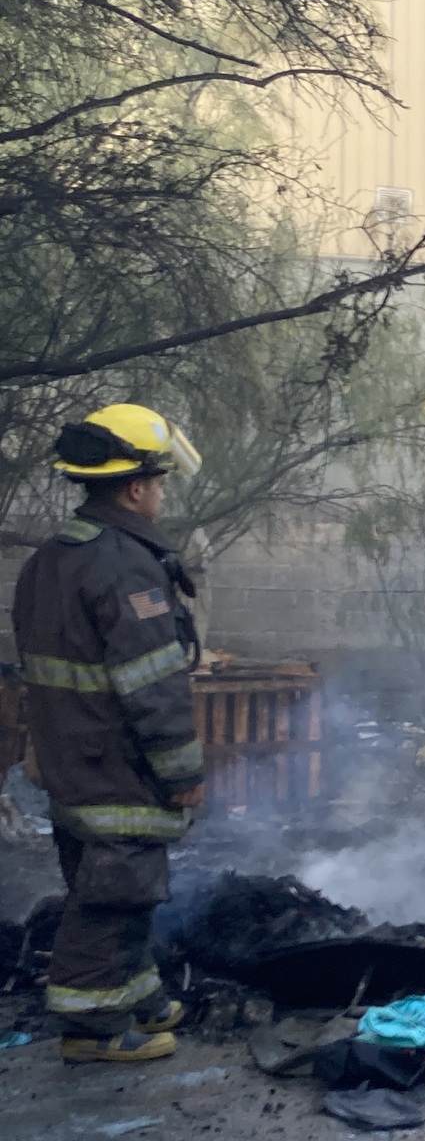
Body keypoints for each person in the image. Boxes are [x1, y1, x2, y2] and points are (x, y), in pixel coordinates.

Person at [13, 404, 206, 1064]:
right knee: (112, 895)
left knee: (115, 886)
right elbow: (152, 685)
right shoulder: (124, 566)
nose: (161, 494)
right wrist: (182, 773)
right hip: (116, 765)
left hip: (71, 760)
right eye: (159, 483)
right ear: (134, 489)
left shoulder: (51, 558)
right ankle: (92, 1029)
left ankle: (139, 998)